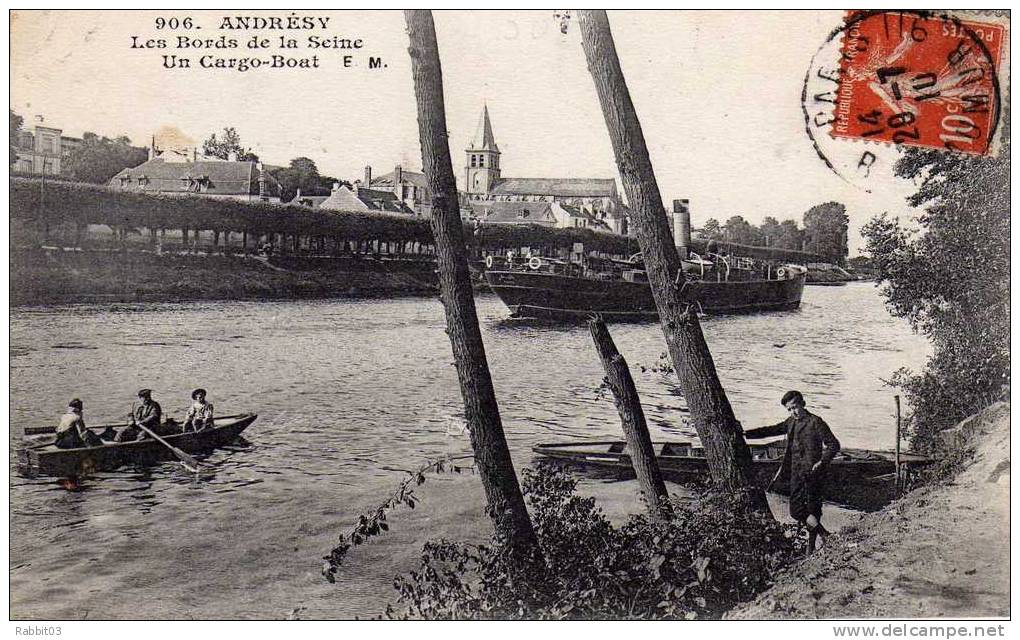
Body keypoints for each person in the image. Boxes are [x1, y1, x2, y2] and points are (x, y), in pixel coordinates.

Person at [745, 390, 841, 554]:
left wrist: (822, 462)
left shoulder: (816, 422)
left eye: (795, 407)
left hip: (813, 475)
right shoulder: (791, 422)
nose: (793, 412)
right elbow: (771, 430)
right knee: (796, 511)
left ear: (803, 404)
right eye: (789, 409)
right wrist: (747, 434)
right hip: (796, 474)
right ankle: (825, 535)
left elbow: (833, 445)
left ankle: (810, 551)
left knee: (813, 510)